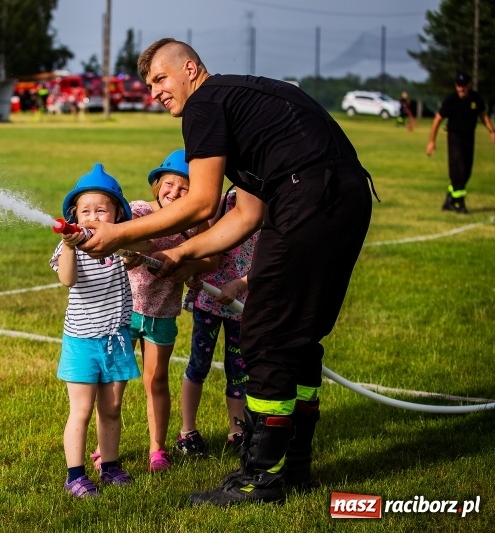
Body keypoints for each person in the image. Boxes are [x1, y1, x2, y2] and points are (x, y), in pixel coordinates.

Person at [78, 38, 375, 506]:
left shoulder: (205, 104)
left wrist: (118, 236)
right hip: (345, 196)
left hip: (308, 197)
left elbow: (200, 201)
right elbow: (246, 215)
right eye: (149, 83)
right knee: (297, 337)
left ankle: (260, 478)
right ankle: (293, 468)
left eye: (160, 78)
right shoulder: (243, 107)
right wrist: (178, 256)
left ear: (191, 69)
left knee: (266, 334)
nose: (154, 91)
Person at [91, 149, 212, 474]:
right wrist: (132, 249)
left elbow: (209, 259)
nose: (174, 192)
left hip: (162, 314)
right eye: (169, 184)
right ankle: (105, 446)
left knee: (156, 380)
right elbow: (126, 238)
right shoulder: (141, 211)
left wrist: (190, 267)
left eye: (184, 188)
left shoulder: (197, 225)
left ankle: (157, 450)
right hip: (124, 311)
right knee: (114, 380)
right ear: (157, 185)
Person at [49, 163, 141, 498]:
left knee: (112, 409)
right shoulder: (69, 247)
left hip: (116, 340)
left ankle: (111, 466)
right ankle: (75, 476)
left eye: (102, 210)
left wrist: (126, 249)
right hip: (82, 343)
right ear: (74, 215)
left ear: (117, 214)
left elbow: (135, 258)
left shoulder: (119, 244)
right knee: (82, 410)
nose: (92, 217)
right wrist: (71, 246)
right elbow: (67, 280)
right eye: (85, 211)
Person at [176, 186, 256, 457]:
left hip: (243, 305)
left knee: (239, 370)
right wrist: (193, 271)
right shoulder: (222, 204)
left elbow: (272, 260)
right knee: (198, 365)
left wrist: (239, 284)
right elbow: (203, 244)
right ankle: (187, 430)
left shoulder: (271, 211)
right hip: (209, 301)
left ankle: (236, 430)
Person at [427, 72, 495, 214]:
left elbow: (483, 116)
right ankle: (459, 204)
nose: (461, 89)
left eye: (464, 86)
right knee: (459, 170)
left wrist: (492, 131)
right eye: (459, 86)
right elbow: (437, 121)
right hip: (454, 139)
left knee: (466, 173)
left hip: (469, 139)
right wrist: (431, 141)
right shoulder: (451, 101)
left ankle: (450, 199)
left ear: (469, 85)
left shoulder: (475, 99)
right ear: (456, 86)